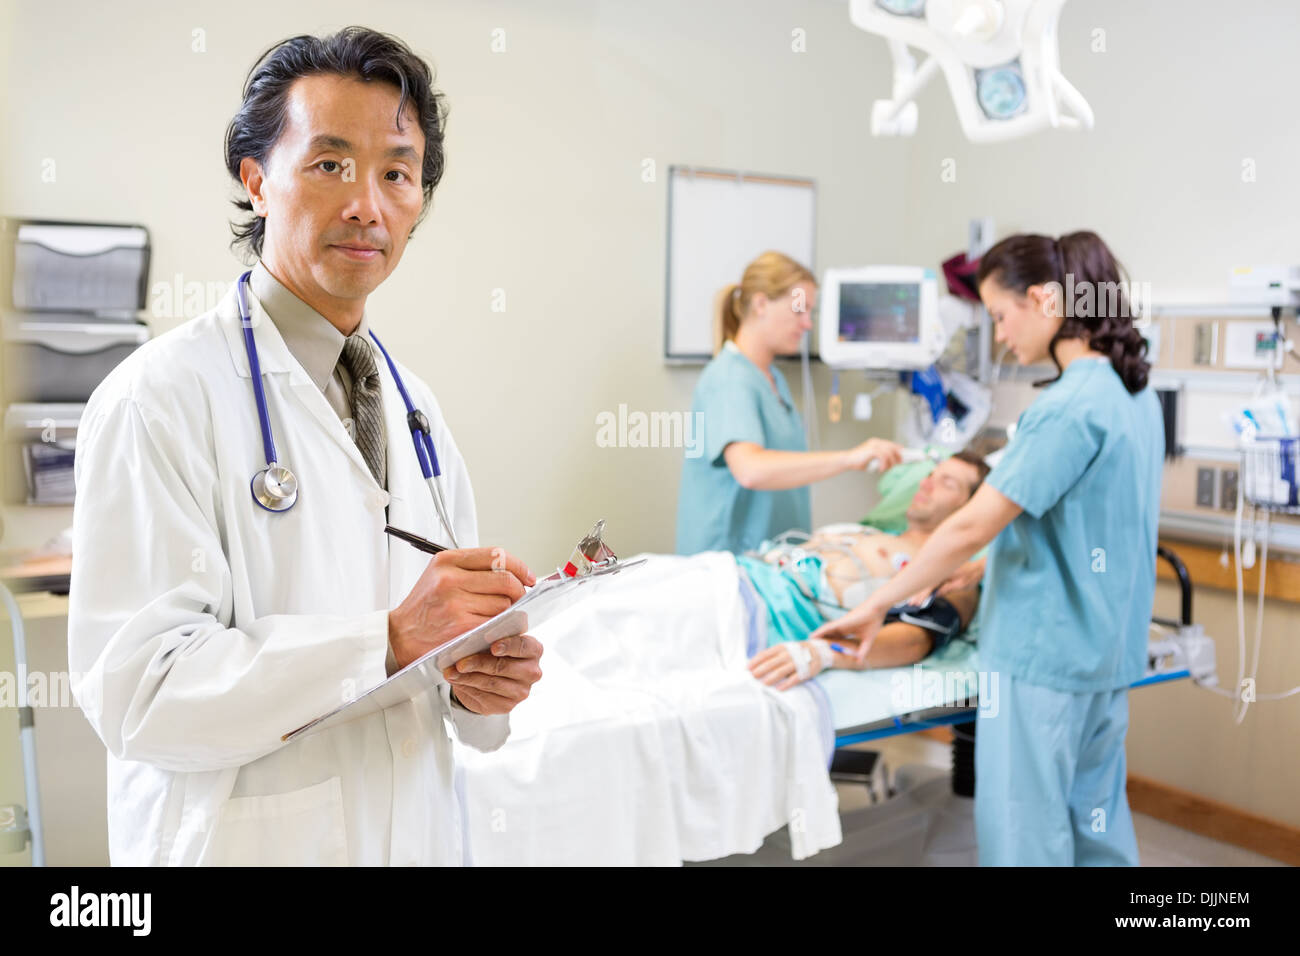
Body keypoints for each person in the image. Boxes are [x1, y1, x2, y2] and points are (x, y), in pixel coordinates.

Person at [67, 27, 542, 866]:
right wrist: (387, 641)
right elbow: (139, 694)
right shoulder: (158, 399)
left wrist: (478, 686)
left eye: (397, 173)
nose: (367, 203)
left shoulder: (416, 410)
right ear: (257, 182)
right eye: (330, 164)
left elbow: (449, 688)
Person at [813, 231, 1163, 866]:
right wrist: (988, 563)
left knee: (1026, 838)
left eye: (1001, 316)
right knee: (1097, 824)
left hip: (1042, 660)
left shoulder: (1064, 408)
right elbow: (1085, 519)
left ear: (1042, 300)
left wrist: (880, 602)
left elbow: (970, 525)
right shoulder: (1133, 395)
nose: (1001, 336)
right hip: (1105, 652)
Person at [676, 251, 903, 555]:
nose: (808, 323)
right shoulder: (730, 380)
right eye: (799, 310)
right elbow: (751, 469)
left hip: (772, 558)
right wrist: (848, 458)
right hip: (731, 563)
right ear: (760, 304)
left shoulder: (772, 378)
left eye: (811, 312)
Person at [746, 451, 990, 689]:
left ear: (971, 508)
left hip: (766, 608)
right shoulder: (874, 532)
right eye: (931, 475)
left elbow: (919, 637)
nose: (926, 484)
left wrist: (825, 652)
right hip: (743, 571)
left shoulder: (954, 574)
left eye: (946, 483)